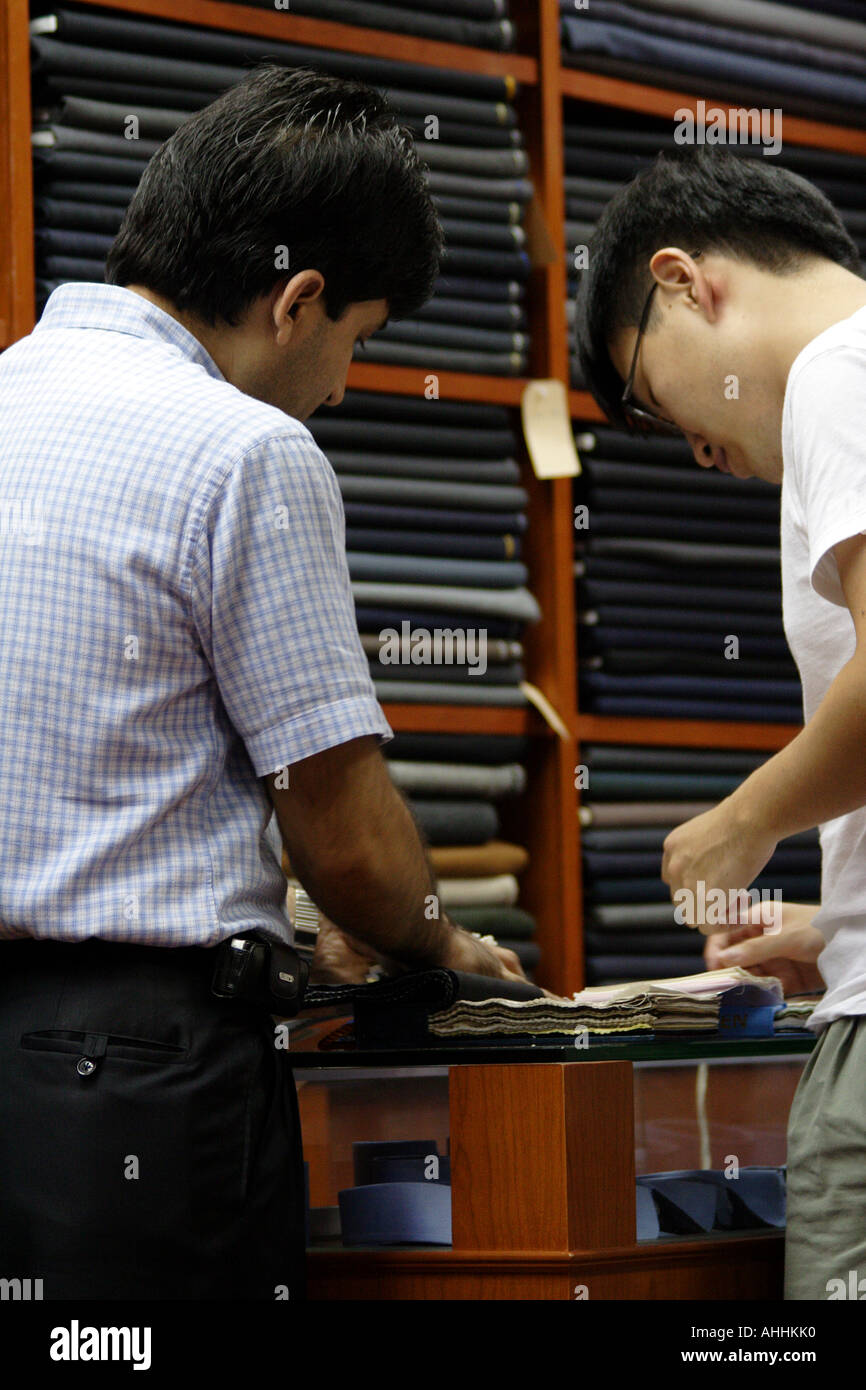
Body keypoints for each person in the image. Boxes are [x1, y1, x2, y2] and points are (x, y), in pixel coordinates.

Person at [0, 62, 526, 1302]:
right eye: (358, 339)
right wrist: (439, 939)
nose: (344, 386)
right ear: (298, 299)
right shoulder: (246, 449)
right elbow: (342, 833)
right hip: (130, 1077)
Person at [575, 144, 866, 1300]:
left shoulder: (835, 378)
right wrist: (834, 921)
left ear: (683, 280)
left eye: (652, 398)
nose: (696, 450)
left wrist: (734, 827)